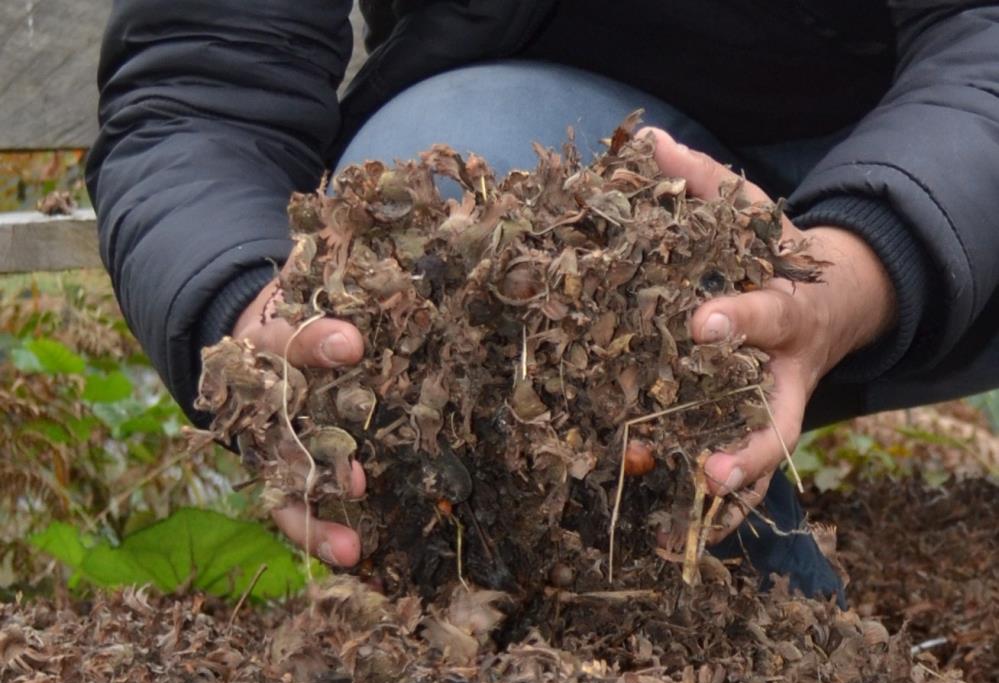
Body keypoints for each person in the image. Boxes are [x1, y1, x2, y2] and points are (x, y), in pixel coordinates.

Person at [86, 1, 999, 603]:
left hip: (942, 168)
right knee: (447, 225)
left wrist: (859, 263)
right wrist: (250, 327)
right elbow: (199, 86)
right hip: (572, 148)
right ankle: (731, 640)